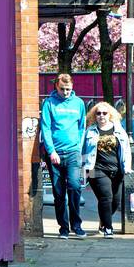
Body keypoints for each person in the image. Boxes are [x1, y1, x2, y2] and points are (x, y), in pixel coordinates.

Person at [40, 73, 88, 237]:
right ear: (56, 86)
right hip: (55, 154)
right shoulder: (49, 103)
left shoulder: (79, 103)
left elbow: (82, 127)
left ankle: (77, 224)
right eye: (62, 89)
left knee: (74, 186)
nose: (66, 92)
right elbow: (45, 128)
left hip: (73, 152)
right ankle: (64, 227)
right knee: (59, 193)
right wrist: (51, 150)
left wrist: (79, 148)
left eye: (68, 89)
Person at [83, 102, 133, 236]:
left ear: (110, 114)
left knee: (115, 201)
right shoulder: (90, 131)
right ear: (94, 116)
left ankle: (103, 221)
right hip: (96, 169)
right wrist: (84, 171)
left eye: (104, 113)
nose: (101, 116)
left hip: (117, 170)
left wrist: (127, 167)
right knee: (106, 197)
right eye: (98, 113)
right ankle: (108, 228)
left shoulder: (119, 130)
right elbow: (83, 151)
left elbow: (126, 150)